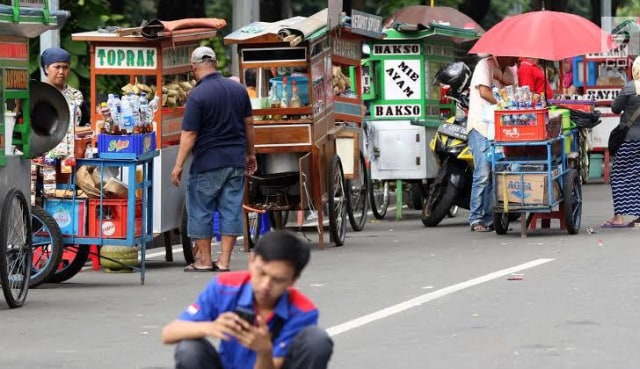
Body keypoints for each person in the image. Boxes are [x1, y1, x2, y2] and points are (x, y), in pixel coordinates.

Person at [161, 230, 334, 369]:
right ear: (251, 262)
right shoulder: (225, 286)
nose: (266, 285)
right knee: (190, 348)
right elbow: (169, 333)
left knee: (316, 340)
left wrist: (264, 351)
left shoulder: (303, 311)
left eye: (277, 279)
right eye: (261, 273)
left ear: (293, 280)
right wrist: (211, 327)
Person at [171, 46, 257, 272]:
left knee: (201, 209)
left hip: (208, 163)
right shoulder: (238, 89)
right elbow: (249, 124)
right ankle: (225, 260)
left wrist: (178, 165)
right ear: (216, 63)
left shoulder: (197, 95)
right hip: (236, 160)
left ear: (193, 67)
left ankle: (204, 260)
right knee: (231, 209)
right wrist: (251, 154)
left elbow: (190, 134)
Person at [466, 55, 518, 232]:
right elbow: (484, 92)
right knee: (482, 174)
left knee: (495, 173)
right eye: (513, 54)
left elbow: (514, 94)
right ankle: (475, 218)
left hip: (499, 130)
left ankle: (489, 218)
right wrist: (503, 103)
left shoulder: (510, 72)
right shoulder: (485, 65)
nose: (517, 58)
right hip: (480, 127)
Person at [602, 56, 640, 228]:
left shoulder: (630, 87)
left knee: (617, 175)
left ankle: (618, 217)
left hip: (630, 139)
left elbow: (615, 108)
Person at [40, 47, 84, 159]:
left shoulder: (75, 95)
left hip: (71, 157)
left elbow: (75, 126)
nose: (61, 71)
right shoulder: (37, 93)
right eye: (57, 67)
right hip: (45, 157)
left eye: (65, 67)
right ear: (46, 68)